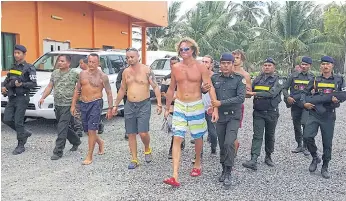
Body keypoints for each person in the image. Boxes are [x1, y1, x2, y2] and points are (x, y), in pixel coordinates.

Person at [163, 38, 218, 187]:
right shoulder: (176, 68)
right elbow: (171, 88)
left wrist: (215, 108)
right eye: (181, 50)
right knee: (177, 137)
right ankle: (174, 174)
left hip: (196, 105)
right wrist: (167, 108)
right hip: (180, 104)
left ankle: (198, 163)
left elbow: (210, 86)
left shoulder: (201, 67)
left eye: (186, 49)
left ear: (193, 50)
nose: (183, 52)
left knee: (198, 136)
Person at [112, 47, 162, 169]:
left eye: (132, 57)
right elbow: (122, 89)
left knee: (143, 132)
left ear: (138, 56)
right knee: (131, 133)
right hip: (129, 104)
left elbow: (155, 87)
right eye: (128, 57)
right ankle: (134, 159)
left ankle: (147, 148)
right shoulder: (125, 72)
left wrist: (159, 104)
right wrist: (115, 105)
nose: (130, 59)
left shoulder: (146, 70)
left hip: (143, 104)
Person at [301, 56, 345, 179]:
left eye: (328, 64)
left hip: (329, 115)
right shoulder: (315, 79)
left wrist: (337, 101)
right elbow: (304, 93)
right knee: (307, 136)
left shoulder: (339, 79)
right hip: (314, 113)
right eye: (323, 64)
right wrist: (305, 103)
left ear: (332, 66)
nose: (325, 66)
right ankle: (315, 156)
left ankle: (325, 165)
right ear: (320, 66)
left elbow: (343, 94)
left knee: (327, 143)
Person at [71, 53, 113, 165]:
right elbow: (77, 90)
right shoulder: (82, 74)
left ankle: (89, 155)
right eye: (89, 62)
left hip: (95, 103)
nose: (91, 64)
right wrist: (73, 105)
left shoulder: (102, 76)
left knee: (92, 129)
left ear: (98, 63)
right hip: (83, 103)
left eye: (94, 62)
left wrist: (110, 108)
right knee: (86, 130)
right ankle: (100, 142)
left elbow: (109, 93)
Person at [211, 53, 246, 189]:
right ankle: (223, 168)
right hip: (220, 117)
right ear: (220, 64)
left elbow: (240, 98)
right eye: (223, 63)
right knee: (222, 143)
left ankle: (229, 171)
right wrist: (203, 89)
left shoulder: (239, 79)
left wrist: (220, 102)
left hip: (233, 116)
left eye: (228, 63)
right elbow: (207, 90)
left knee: (229, 142)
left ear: (232, 64)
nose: (225, 65)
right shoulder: (214, 78)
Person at [242, 58, 283, 170]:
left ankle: (268, 156)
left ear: (274, 67)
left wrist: (254, 93)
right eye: (265, 65)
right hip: (258, 112)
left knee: (270, 136)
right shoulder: (257, 79)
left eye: (269, 65)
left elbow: (272, 93)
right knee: (257, 135)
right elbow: (249, 92)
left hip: (271, 112)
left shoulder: (278, 80)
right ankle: (254, 159)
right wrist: (244, 92)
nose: (267, 67)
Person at [39, 55, 81, 160]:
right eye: (59, 61)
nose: (59, 63)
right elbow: (50, 86)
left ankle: (58, 151)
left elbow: (80, 87)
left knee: (61, 128)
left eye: (62, 61)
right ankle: (76, 141)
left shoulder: (74, 74)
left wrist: (76, 103)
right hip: (57, 104)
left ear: (68, 63)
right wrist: (43, 97)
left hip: (68, 105)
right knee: (64, 127)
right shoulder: (55, 73)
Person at [1, 44, 37, 155]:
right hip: (12, 98)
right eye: (15, 53)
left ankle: (21, 145)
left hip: (22, 98)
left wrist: (22, 84)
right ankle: (24, 133)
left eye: (19, 53)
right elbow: (7, 79)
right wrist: (3, 86)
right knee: (6, 119)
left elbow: (33, 83)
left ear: (24, 54)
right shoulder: (13, 67)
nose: (16, 55)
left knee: (18, 121)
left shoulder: (29, 68)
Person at [282, 56, 314, 155]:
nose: (304, 66)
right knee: (296, 125)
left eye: (306, 65)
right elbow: (284, 88)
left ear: (310, 66)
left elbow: (316, 90)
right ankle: (299, 145)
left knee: (305, 124)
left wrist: (313, 93)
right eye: (302, 64)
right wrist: (287, 97)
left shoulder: (312, 77)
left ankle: (305, 146)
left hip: (306, 105)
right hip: (295, 104)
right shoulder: (293, 76)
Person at [161, 56, 185, 159]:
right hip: (171, 106)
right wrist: (171, 98)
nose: (174, 65)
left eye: (176, 63)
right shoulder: (166, 78)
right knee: (173, 128)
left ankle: (179, 143)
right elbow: (163, 92)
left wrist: (177, 96)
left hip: (183, 106)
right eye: (172, 63)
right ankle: (173, 147)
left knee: (180, 128)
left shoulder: (184, 77)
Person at [73, 58, 104, 137]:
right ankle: (79, 129)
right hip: (81, 98)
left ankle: (98, 125)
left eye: (81, 63)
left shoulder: (97, 73)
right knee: (79, 114)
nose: (80, 65)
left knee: (93, 115)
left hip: (93, 99)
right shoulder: (80, 73)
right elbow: (78, 87)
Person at [231, 50, 251, 156]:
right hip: (223, 105)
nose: (235, 59)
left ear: (242, 60)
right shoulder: (224, 72)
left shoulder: (245, 75)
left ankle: (232, 154)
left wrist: (242, 92)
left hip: (237, 106)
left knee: (233, 131)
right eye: (233, 57)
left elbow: (249, 94)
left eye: (237, 57)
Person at [201, 55, 218, 154]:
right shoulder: (197, 76)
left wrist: (213, 106)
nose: (204, 64)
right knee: (199, 131)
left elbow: (218, 93)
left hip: (210, 108)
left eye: (206, 62)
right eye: (202, 61)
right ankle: (199, 152)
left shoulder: (215, 77)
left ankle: (214, 147)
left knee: (212, 131)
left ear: (211, 64)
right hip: (199, 107)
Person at [116, 65, 129, 140]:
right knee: (127, 113)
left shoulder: (142, 70)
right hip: (126, 96)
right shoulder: (123, 70)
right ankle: (128, 130)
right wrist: (121, 91)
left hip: (138, 97)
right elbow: (118, 82)